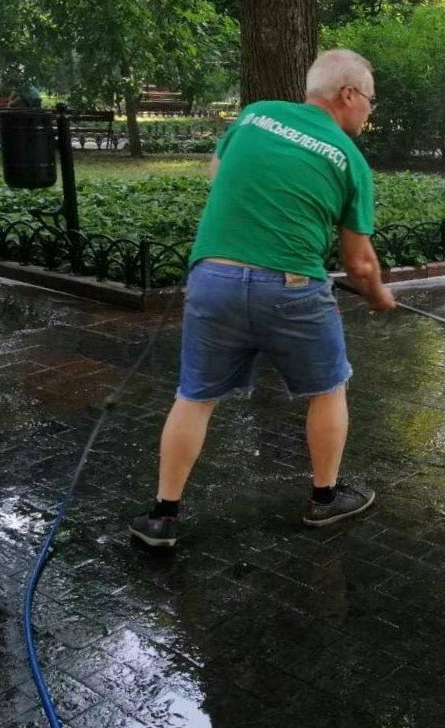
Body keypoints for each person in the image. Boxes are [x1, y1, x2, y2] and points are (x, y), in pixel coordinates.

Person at [130, 49, 396, 548]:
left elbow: (218, 175)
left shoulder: (256, 114)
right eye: (371, 100)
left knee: (195, 396)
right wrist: (380, 296)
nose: (370, 111)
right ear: (348, 95)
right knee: (329, 389)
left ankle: (162, 517)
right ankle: (324, 500)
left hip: (214, 280)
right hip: (293, 291)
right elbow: (359, 264)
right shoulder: (349, 159)